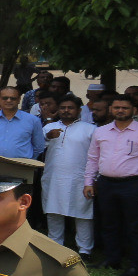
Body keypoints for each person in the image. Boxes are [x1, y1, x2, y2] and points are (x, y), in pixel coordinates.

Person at [82, 94, 138, 276]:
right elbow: (93, 158)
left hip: (135, 184)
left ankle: (137, 264)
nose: (120, 111)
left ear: (134, 110)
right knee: (109, 224)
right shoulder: (101, 132)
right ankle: (112, 259)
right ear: (111, 109)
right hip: (106, 183)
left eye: (125, 108)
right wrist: (88, 181)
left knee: (135, 226)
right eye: (116, 107)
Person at [42, 96, 96, 259]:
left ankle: (85, 250)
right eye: (63, 107)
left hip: (80, 178)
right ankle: (55, 245)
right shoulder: (48, 128)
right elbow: (38, 146)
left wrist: (93, 179)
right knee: (53, 211)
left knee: (83, 214)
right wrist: (48, 136)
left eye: (70, 107)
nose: (66, 110)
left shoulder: (90, 129)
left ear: (79, 110)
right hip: (53, 178)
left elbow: (96, 155)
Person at [0, 87, 45, 161]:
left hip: (21, 167)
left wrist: (27, 162)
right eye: (5, 98)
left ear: (19, 100)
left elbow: (39, 147)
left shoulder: (33, 120)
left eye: (13, 98)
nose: (9, 100)